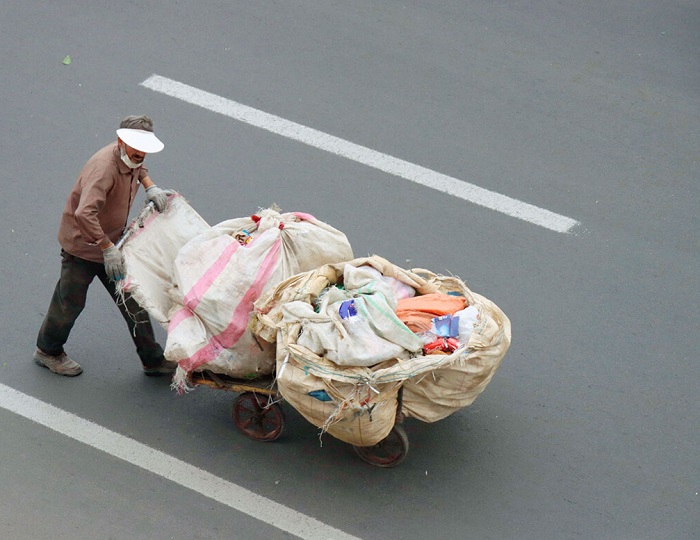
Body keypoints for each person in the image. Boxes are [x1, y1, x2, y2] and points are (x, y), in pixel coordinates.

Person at [34, 115, 176, 377]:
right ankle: (48, 351)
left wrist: (150, 187)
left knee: (134, 301)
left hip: (113, 242)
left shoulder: (131, 156)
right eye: (136, 148)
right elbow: (84, 214)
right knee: (70, 303)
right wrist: (107, 248)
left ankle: (152, 359)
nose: (141, 154)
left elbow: (139, 167)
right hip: (85, 247)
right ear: (121, 141)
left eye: (145, 149)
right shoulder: (104, 169)